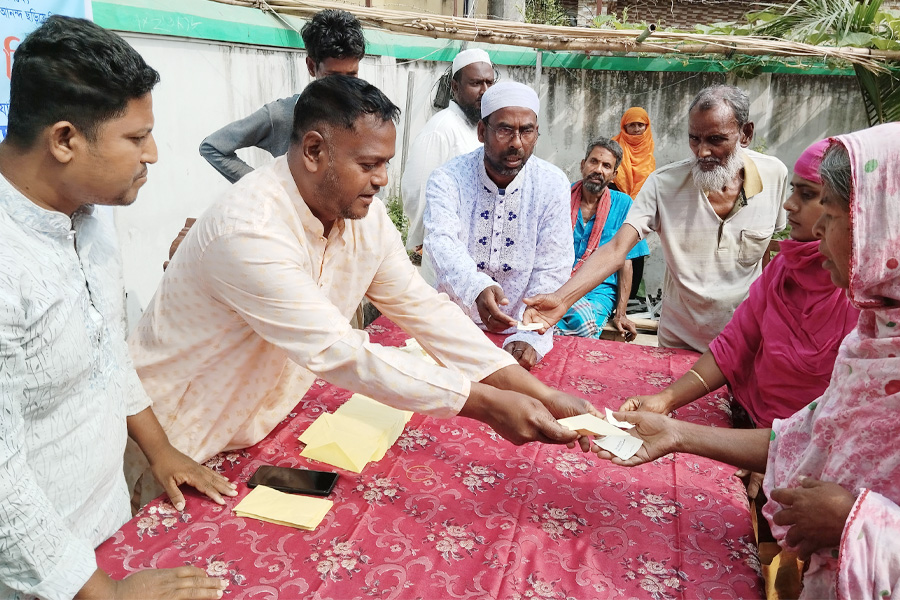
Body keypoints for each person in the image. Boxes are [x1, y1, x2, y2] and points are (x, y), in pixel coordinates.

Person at [127, 76, 597, 507]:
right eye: (368, 164)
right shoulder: (249, 229)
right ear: (314, 151)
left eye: (386, 163)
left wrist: (534, 390)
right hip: (174, 440)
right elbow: (341, 352)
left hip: (252, 427)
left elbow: (424, 309)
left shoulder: (361, 216)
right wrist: (485, 404)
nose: (382, 180)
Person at [599, 123, 900, 599]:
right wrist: (674, 424)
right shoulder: (875, 334)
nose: (807, 219)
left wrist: (854, 521)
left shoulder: (860, 312)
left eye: (829, 206)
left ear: (883, 220)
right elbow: (806, 424)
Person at [0, 16, 236, 599]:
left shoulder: (87, 214)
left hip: (103, 533)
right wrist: (105, 594)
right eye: (135, 138)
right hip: (37, 575)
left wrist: (160, 450)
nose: (153, 154)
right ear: (64, 140)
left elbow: (107, 348)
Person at [523, 85, 789, 353]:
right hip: (681, 341)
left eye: (716, 140)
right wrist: (560, 299)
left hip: (743, 339)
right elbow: (617, 249)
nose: (703, 152)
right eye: (694, 139)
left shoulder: (774, 176)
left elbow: (764, 254)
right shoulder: (664, 184)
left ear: (746, 134)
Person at [620, 138, 858, 428]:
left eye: (808, 195)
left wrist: (772, 450)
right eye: (794, 190)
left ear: (854, 209)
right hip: (750, 415)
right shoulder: (783, 270)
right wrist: (666, 399)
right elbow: (737, 342)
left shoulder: (866, 300)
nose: (789, 204)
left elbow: (841, 416)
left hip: (805, 438)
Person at [423, 81, 573, 370]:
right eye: (505, 129)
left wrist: (531, 332)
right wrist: (476, 288)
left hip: (522, 327)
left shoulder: (551, 183)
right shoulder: (448, 178)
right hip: (452, 323)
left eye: (527, 130)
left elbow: (553, 264)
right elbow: (441, 242)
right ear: (482, 131)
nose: (517, 142)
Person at [198, 9, 365, 183]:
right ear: (311, 66)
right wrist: (265, 187)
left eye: (352, 75)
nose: (344, 86)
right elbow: (213, 147)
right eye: (333, 76)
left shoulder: (365, 116)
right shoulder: (282, 116)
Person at [400, 48, 495, 280]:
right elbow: (414, 192)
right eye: (475, 83)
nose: (484, 91)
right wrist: (429, 236)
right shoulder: (441, 129)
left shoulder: (479, 128)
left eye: (489, 83)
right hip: (445, 254)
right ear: (454, 86)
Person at [555, 137, 650, 341]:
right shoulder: (561, 196)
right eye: (594, 162)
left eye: (606, 166)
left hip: (599, 290)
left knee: (582, 322)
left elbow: (626, 260)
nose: (598, 170)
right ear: (583, 165)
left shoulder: (623, 204)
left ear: (614, 175)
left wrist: (621, 313)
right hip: (558, 282)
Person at [611, 107, 656, 299]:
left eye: (641, 125)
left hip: (639, 209)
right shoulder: (614, 147)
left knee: (635, 252)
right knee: (610, 249)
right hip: (614, 206)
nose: (637, 129)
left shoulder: (649, 153)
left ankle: (629, 297)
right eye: (632, 125)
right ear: (624, 126)